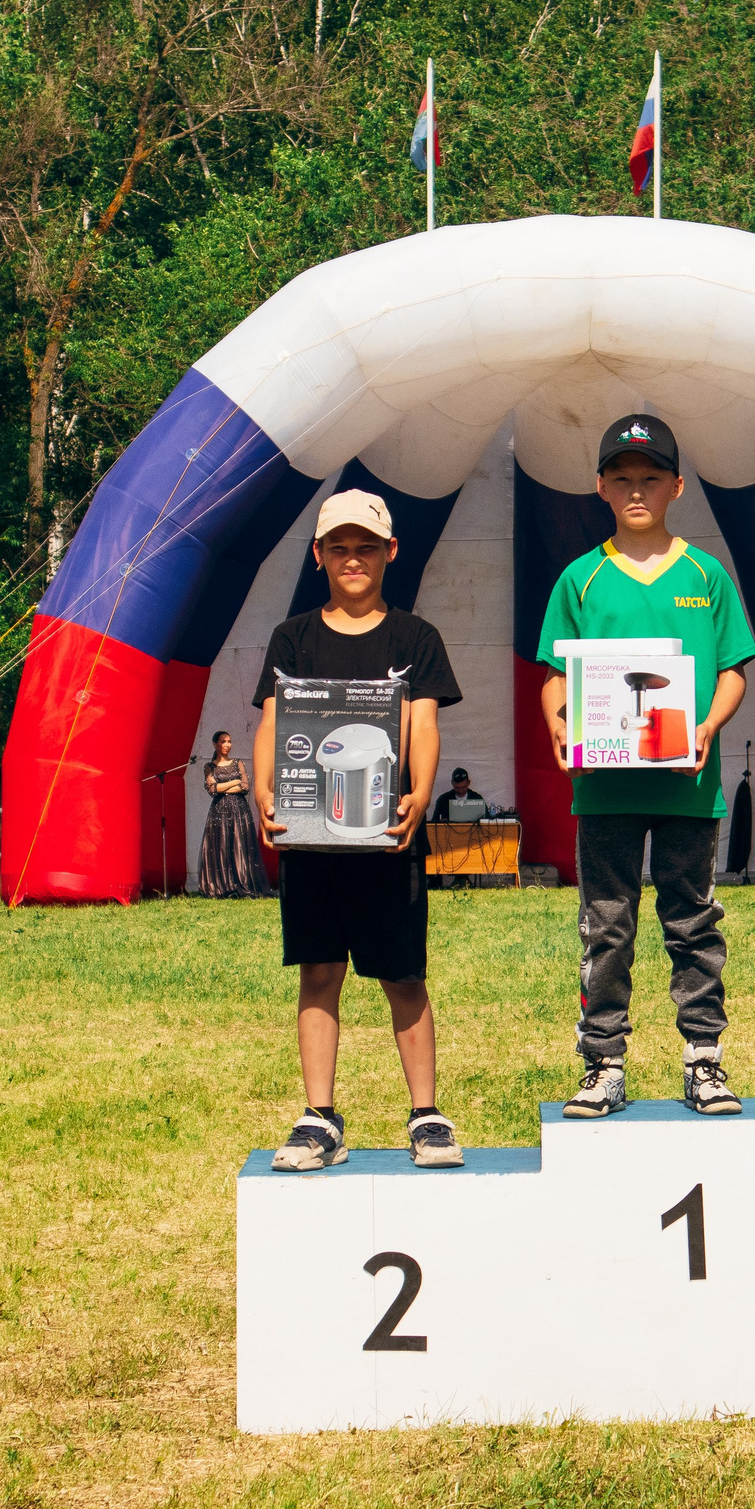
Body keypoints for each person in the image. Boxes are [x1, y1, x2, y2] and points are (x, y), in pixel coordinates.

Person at [536, 414, 755, 1118]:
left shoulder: (705, 573)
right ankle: (603, 1061)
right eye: (624, 478)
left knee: (692, 920)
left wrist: (706, 727)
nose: (638, 490)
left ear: (677, 487)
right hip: (604, 788)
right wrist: (559, 727)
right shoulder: (580, 577)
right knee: (607, 923)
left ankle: (704, 1059)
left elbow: (733, 671)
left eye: (652, 478)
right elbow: (552, 674)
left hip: (688, 783)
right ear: (600, 486)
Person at [253, 488, 467, 1172]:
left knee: (402, 974)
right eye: (339, 547)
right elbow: (270, 724)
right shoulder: (293, 638)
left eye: (366, 547)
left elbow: (425, 724)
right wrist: (262, 789)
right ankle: (319, 1117)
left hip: (388, 841)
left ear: (390, 553)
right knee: (319, 969)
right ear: (318, 556)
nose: (353, 559)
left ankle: (427, 1113)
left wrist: (423, 791)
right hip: (312, 844)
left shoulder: (415, 638)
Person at [196, 730, 271, 898]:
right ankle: (223, 885)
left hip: (239, 809)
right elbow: (213, 789)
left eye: (229, 741)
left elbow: (245, 787)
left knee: (240, 845)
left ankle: (243, 882)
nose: (227, 745)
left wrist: (226, 785)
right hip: (219, 811)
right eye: (223, 741)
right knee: (221, 846)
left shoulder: (238, 763)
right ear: (215, 744)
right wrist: (234, 781)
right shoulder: (209, 767)